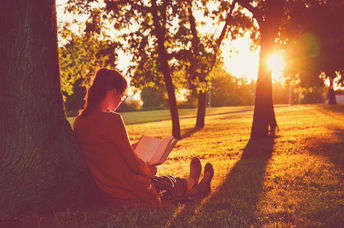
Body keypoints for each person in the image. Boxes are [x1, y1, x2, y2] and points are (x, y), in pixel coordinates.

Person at [73, 68, 214, 207]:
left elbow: (106, 153)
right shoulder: (112, 120)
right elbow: (133, 162)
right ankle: (195, 184)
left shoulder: (79, 122)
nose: (121, 100)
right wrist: (147, 171)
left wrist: (133, 148)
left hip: (108, 192)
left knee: (162, 182)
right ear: (112, 92)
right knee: (165, 183)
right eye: (122, 95)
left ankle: (195, 184)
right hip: (129, 189)